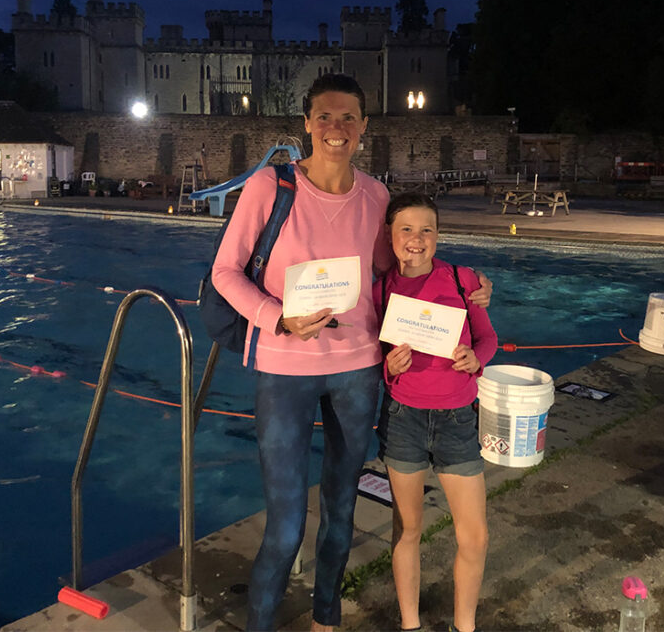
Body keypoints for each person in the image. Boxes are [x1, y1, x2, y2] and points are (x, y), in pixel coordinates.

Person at [211, 74, 491, 631]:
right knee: (286, 525)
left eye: (347, 118)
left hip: (357, 371)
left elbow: (403, 272)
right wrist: (277, 318)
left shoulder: (377, 197)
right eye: (324, 117)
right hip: (284, 368)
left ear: (363, 127)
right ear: (307, 125)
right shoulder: (271, 187)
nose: (335, 128)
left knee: (341, 510)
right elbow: (225, 272)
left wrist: (469, 288)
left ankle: (326, 621)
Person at [374, 192, 497, 632]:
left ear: (438, 236)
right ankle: (411, 624)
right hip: (404, 417)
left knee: (475, 536)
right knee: (408, 530)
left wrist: (476, 359)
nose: (416, 238)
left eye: (426, 229)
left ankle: (465, 625)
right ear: (390, 236)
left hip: (457, 419)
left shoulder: (463, 281)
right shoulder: (382, 288)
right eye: (406, 228)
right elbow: (375, 355)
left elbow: (487, 338)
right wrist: (389, 367)